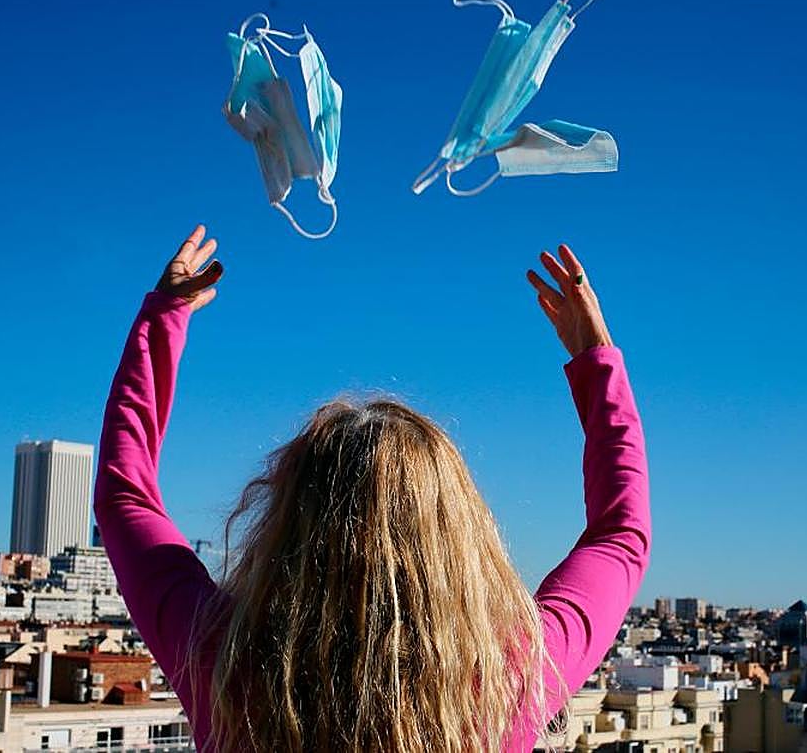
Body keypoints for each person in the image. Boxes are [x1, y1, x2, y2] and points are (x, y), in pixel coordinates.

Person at [93, 225, 650, 752]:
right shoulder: (516, 676)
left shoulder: (225, 662)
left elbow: (125, 497)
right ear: (459, 532)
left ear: (288, 519)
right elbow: (621, 535)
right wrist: (595, 357)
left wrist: (162, 321)